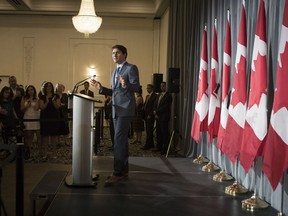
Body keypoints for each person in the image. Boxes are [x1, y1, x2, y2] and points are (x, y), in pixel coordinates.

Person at [90, 44, 140, 186]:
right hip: (115, 109)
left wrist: (126, 84)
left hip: (125, 109)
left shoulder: (131, 68)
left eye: (117, 53)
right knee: (120, 141)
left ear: (125, 54)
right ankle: (123, 171)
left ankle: (117, 173)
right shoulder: (113, 72)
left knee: (118, 140)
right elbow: (114, 92)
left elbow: (137, 87)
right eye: (113, 53)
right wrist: (101, 88)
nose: (114, 55)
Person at [39, 82, 61, 159]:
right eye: (47, 86)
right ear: (45, 88)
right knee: (45, 136)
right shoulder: (42, 96)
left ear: (52, 87)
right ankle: (44, 154)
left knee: (53, 136)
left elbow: (58, 106)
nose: (48, 88)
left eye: (50, 86)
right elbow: (41, 107)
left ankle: (54, 153)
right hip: (45, 117)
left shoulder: (56, 96)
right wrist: (47, 102)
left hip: (54, 117)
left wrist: (53, 101)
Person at [21, 85, 41, 160]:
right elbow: (22, 109)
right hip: (27, 118)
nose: (30, 91)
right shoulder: (24, 98)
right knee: (29, 137)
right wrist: (27, 105)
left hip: (35, 118)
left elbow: (37, 108)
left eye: (32, 89)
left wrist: (34, 102)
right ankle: (28, 152)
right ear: (27, 91)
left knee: (39, 136)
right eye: (29, 90)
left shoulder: (37, 98)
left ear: (34, 90)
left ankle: (40, 152)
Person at [153, 82, 172, 155]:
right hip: (157, 117)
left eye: (163, 86)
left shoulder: (168, 96)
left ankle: (165, 149)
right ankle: (159, 147)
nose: (162, 87)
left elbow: (165, 107)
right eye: (161, 86)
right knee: (158, 133)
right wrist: (154, 111)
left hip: (164, 117)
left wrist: (156, 112)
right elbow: (155, 104)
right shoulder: (159, 95)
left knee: (164, 134)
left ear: (166, 87)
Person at [142, 84, 157, 150]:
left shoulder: (155, 96)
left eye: (149, 88)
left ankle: (149, 144)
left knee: (150, 130)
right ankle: (149, 143)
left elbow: (154, 106)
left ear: (152, 89)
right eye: (147, 88)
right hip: (146, 115)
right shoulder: (147, 96)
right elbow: (145, 105)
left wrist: (150, 114)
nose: (147, 89)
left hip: (150, 116)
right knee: (147, 131)